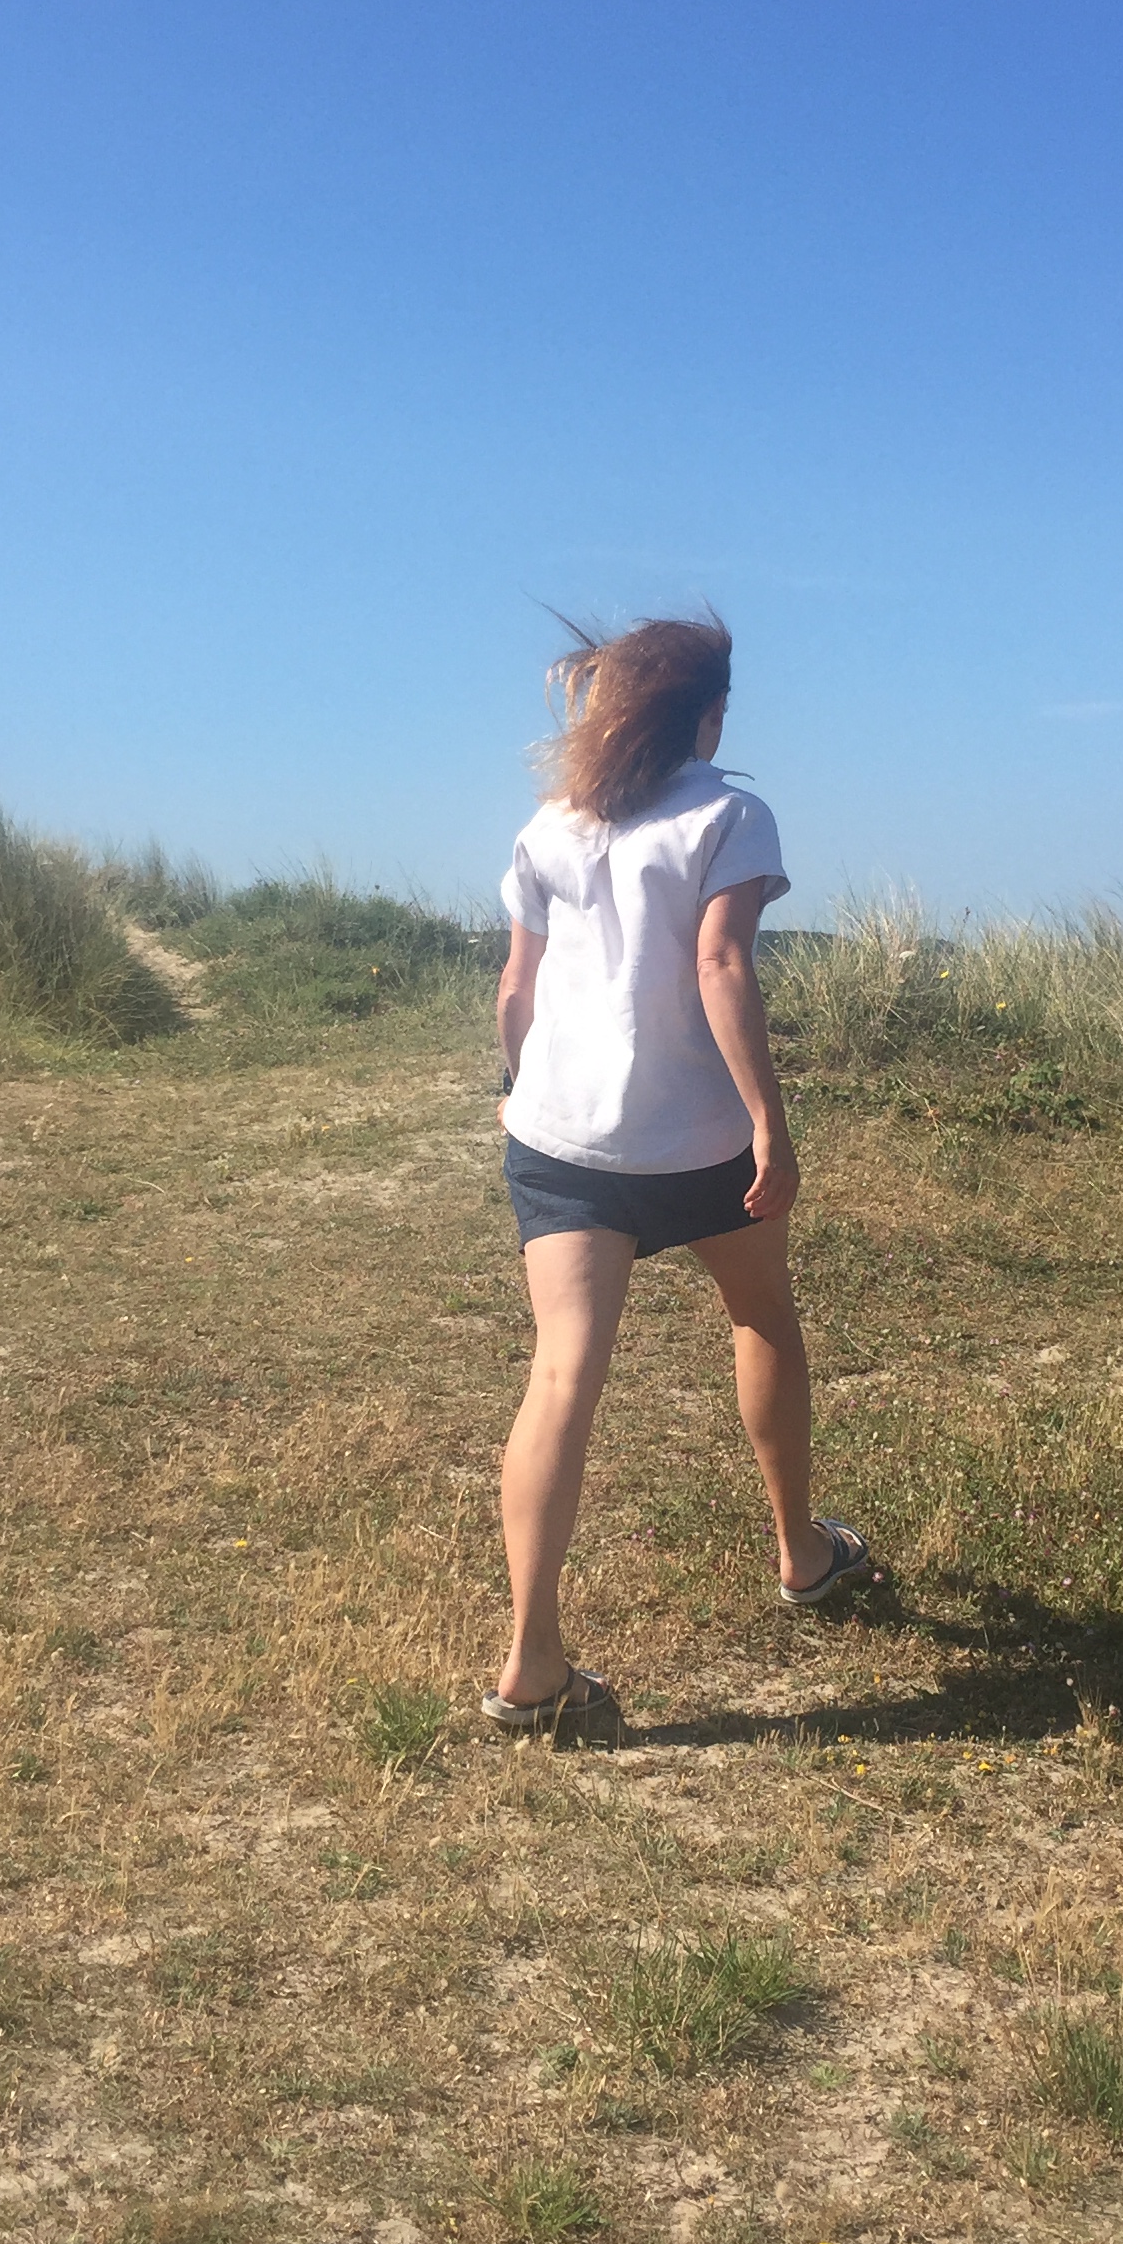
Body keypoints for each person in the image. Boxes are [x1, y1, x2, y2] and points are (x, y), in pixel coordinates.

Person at [483, 616, 875, 1741]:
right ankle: (801, 1555)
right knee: (762, 1316)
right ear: (708, 714)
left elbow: (517, 989)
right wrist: (770, 1125)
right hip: (700, 1139)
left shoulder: (549, 825)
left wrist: (518, 1085)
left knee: (562, 1374)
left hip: (563, 1141)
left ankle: (531, 1664)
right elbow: (721, 964)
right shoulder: (729, 816)